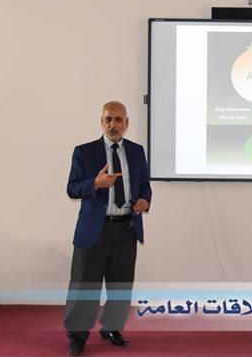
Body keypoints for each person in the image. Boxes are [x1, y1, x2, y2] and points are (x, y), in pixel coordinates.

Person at [63, 101, 151, 355]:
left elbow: (144, 185)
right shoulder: (84, 152)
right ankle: (77, 335)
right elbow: (72, 188)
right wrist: (95, 183)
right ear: (101, 122)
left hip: (126, 229)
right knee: (84, 286)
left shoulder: (136, 151)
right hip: (95, 230)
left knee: (121, 285)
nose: (113, 124)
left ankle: (112, 328)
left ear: (126, 123)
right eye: (108, 119)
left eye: (118, 119)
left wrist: (144, 200)